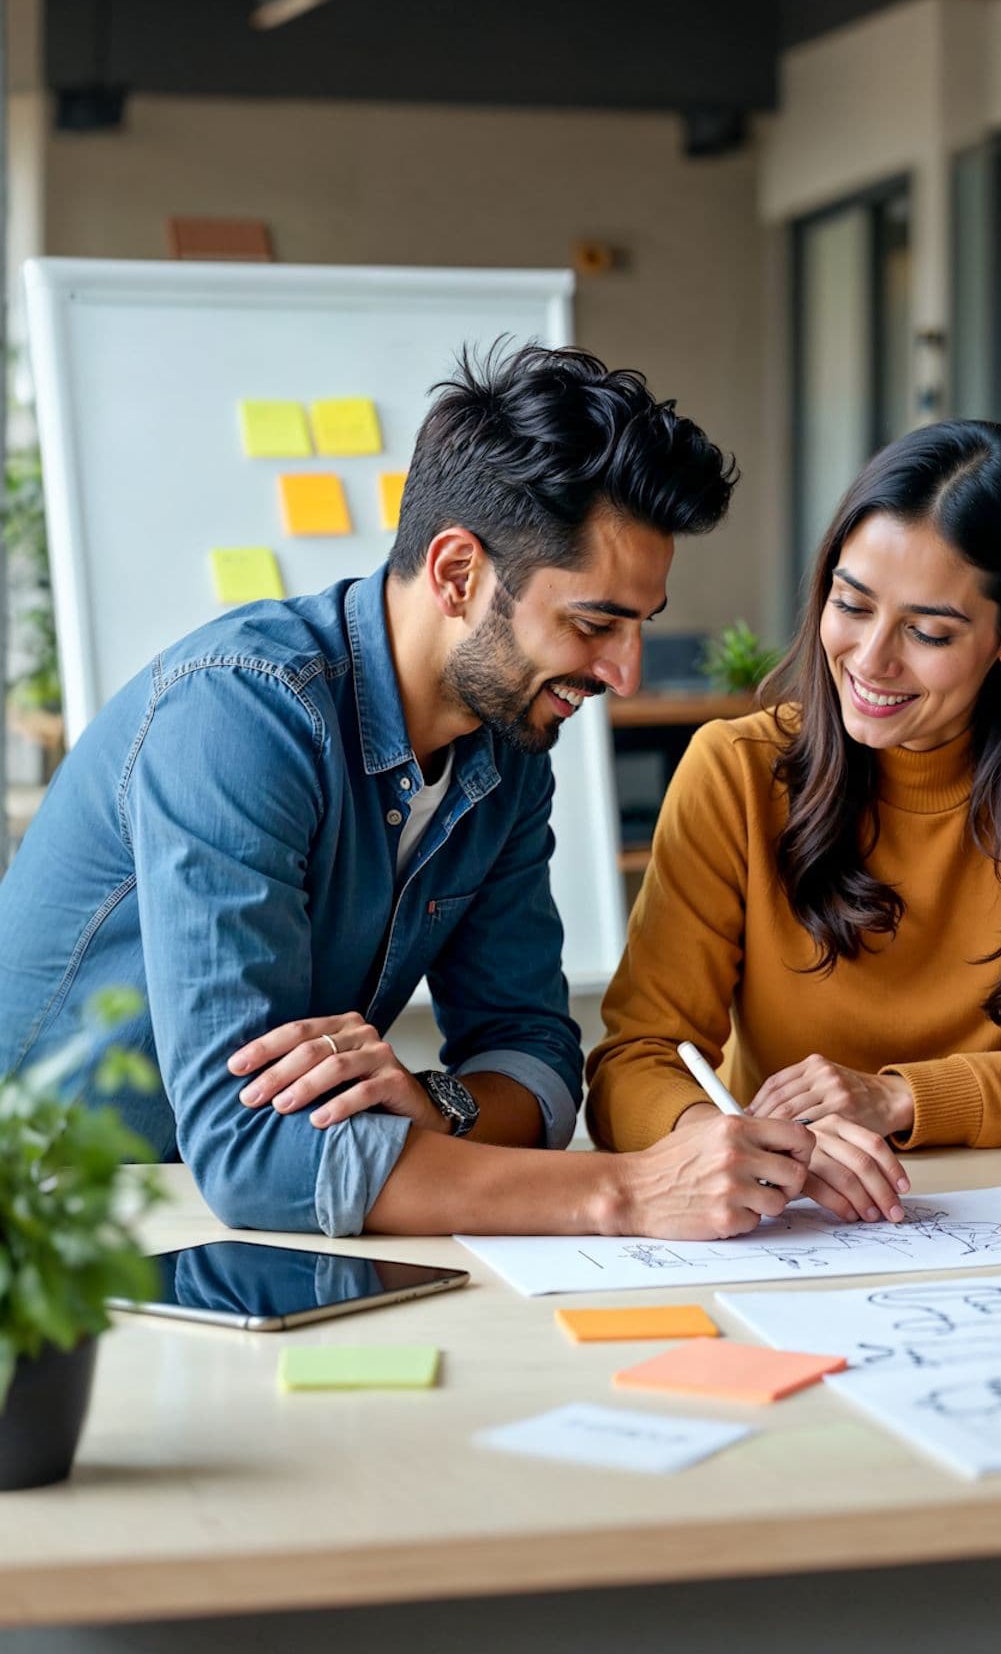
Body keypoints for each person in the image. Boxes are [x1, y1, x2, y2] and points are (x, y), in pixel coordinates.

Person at [0, 342, 814, 1240]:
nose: (624, 674)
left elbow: (538, 1059)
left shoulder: (505, 750)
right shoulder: (238, 716)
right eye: (593, 623)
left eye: (640, 629)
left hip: (217, 1229)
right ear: (458, 572)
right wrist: (625, 1193)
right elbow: (254, 1154)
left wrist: (441, 1107)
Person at [586, 419, 1001, 1221]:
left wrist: (896, 1098)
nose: (870, 660)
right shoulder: (735, 771)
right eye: (851, 604)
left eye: (929, 632)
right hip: (794, 1220)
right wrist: (726, 1142)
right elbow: (634, 1061)